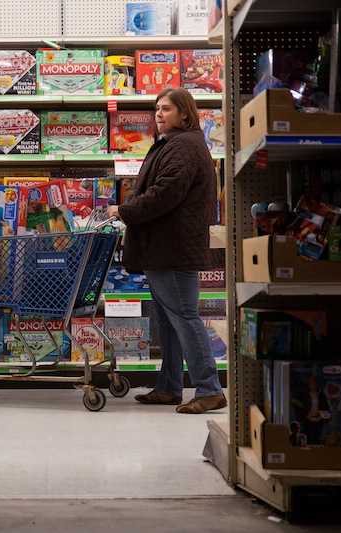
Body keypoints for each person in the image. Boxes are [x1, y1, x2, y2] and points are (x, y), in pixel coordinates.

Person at [106, 87, 226, 414]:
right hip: (166, 248)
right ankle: (170, 387)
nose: (159, 114)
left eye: (167, 109)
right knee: (170, 320)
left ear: (185, 114)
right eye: (157, 109)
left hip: (172, 249)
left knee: (185, 318)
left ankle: (210, 389)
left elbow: (164, 193)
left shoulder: (184, 146)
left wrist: (124, 211)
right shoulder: (176, 143)